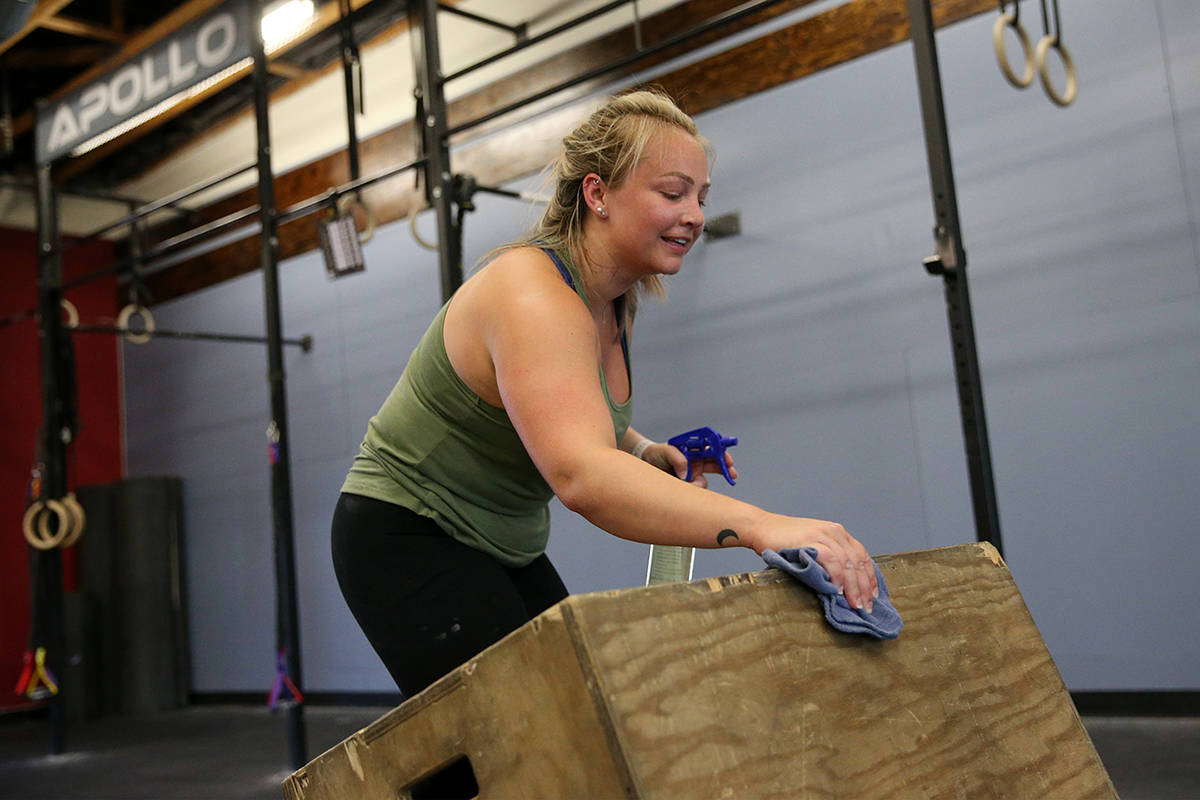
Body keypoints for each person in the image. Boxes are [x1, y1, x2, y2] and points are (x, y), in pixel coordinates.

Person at [331, 89, 879, 703]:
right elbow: (582, 477)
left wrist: (644, 450)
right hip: (409, 533)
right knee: (525, 748)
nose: (695, 214)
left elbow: (571, 411)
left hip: (501, 541)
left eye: (700, 197)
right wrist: (764, 528)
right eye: (673, 194)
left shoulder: (612, 299)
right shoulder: (532, 295)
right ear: (597, 194)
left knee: (584, 715)